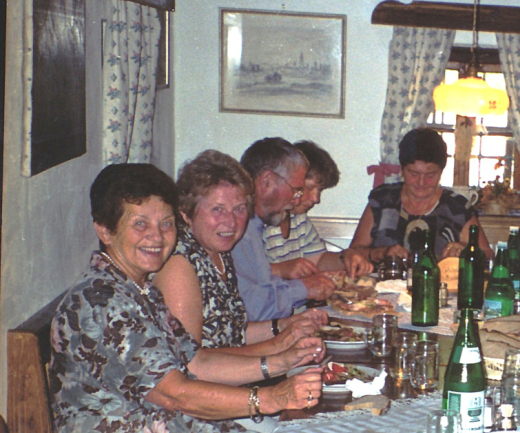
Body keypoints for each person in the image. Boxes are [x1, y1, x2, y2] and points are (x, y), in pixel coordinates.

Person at [49, 164, 324, 433]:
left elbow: (194, 362)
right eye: (139, 224)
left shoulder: (135, 288)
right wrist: (269, 399)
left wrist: (283, 362)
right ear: (105, 231)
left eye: (164, 224)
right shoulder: (100, 300)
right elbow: (175, 393)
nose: (156, 236)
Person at [153, 149, 326, 352]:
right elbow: (191, 363)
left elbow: (232, 334)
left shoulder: (221, 253)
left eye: (239, 209)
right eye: (217, 209)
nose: (231, 222)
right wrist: (277, 354)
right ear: (186, 213)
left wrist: (287, 326)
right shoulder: (179, 265)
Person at [231, 138, 337, 321]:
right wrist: (304, 289)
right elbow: (253, 309)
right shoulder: (239, 229)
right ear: (266, 182)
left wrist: (308, 287)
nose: (297, 201)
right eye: (296, 191)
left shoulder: (255, 225)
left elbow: (265, 289)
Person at [350, 128, 490, 261]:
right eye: (414, 174)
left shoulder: (457, 208)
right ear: (402, 170)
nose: (421, 182)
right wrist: (381, 253)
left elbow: (488, 255)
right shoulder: (382, 200)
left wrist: (467, 251)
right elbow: (354, 251)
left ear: (441, 172)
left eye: (430, 175)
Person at [263, 140, 370, 278]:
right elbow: (249, 275)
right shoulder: (261, 221)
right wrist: (281, 269)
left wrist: (346, 257)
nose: (316, 199)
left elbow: (317, 260)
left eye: (320, 190)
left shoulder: (298, 218)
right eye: (309, 188)